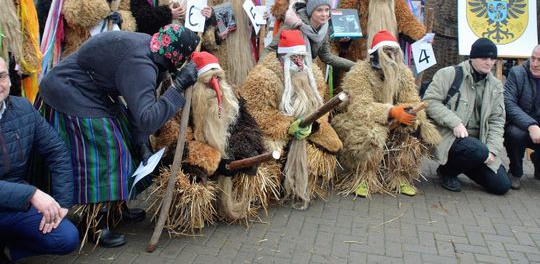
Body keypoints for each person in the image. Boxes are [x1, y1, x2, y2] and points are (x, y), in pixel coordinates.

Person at [38, 25, 199, 247]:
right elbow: (147, 118)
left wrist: (141, 142)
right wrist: (178, 86)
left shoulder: (156, 53)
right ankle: (95, 223)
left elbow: (138, 109)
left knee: (125, 136)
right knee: (106, 150)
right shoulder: (141, 64)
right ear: (176, 57)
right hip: (69, 90)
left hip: (94, 91)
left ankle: (115, 210)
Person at [150, 51, 267, 233]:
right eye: (208, 82)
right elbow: (173, 140)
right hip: (197, 157)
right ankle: (195, 214)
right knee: (191, 174)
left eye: (218, 79)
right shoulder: (180, 99)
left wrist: (237, 150)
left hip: (225, 152)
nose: (215, 87)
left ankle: (229, 203)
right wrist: (212, 156)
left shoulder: (232, 96)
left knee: (248, 161)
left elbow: (248, 127)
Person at [332, 30, 440, 197]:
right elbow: (360, 108)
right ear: (375, 54)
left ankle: (399, 177)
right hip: (360, 120)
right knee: (370, 135)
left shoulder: (403, 73)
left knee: (412, 133)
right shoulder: (359, 73)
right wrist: (391, 111)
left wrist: (409, 114)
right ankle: (362, 178)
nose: (391, 56)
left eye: (394, 51)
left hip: (392, 120)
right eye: (386, 51)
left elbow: (411, 98)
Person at [243, 30, 343, 209]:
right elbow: (256, 113)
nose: (298, 62)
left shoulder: (313, 72)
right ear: (281, 58)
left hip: (310, 126)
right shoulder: (262, 78)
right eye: (293, 57)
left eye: (301, 56)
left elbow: (322, 105)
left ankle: (307, 184)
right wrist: (288, 125)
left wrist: (314, 125)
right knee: (271, 153)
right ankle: (276, 187)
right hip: (275, 130)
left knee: (333, 145)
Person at [0, 57, 79, 261]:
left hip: (15, 203)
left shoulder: (22, 109)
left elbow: (57, 151)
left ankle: (10, 247)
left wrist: (61, 203)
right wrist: (32, 194)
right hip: (22, 195)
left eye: (1, 76)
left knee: (66, 238)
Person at [424, 37, 511, 195]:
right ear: (472, 58)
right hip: (450, 137)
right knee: (476, 150)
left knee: (501, 185)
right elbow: (429, 101)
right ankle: (447, 171)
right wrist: (455, 122)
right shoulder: (449, 74)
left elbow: (497, 121)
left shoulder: (496, 86)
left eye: (492, 58)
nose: (489, 62)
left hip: (479, 145)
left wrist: (492, 151)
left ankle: (465, 164)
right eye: (484, 57)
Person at [264, 0, 355, 71]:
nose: (324, 14)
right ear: (311, 11)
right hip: (287, 69)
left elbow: (326, 56)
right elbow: (271, 48)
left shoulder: (323, 29)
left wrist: (355, 67)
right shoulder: (294, 24)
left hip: (307, 70)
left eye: (327, 10)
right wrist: (260, 69)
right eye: (319, 10)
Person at [503, 45, 540, 189]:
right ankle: (515, 171)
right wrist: (531, 125)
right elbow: (509, 103)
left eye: (539, 60)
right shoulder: (517, 73)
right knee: (514, 134)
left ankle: (538, 161)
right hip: (520, 125)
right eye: (533, 58)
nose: (535, 64)